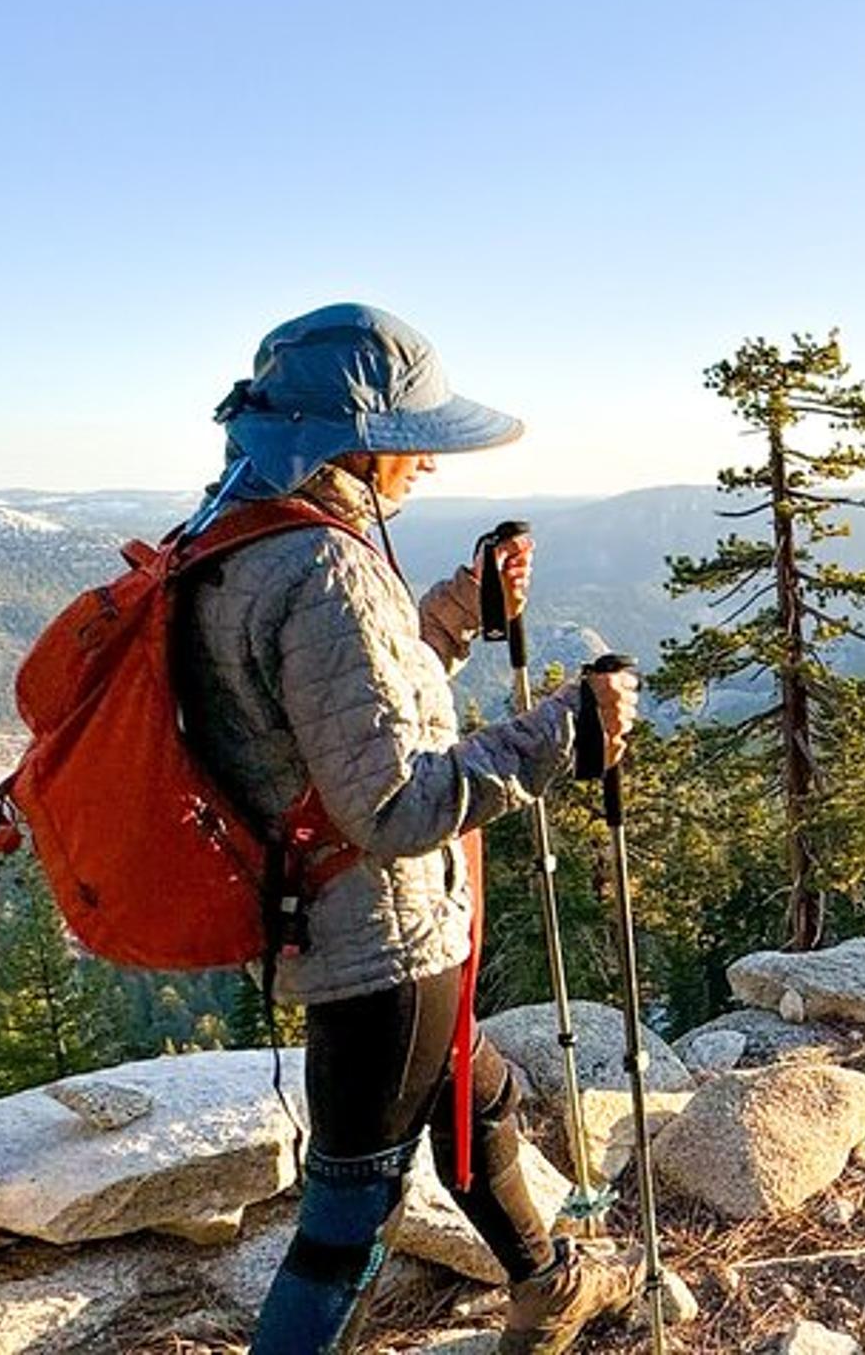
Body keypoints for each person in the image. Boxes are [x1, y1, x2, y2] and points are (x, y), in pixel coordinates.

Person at [176, 304, 643, 1355]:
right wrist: (564, 729)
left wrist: (442, 622)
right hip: (378, 941)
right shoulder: (324, 571)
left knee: (473, 1095)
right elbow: (398, 806)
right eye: (409, 443)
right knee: (348, 1223)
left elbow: (329, 727)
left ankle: (548, 1280)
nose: (423, 467)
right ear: (350, 441)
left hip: (327, 912)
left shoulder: (230, 539)